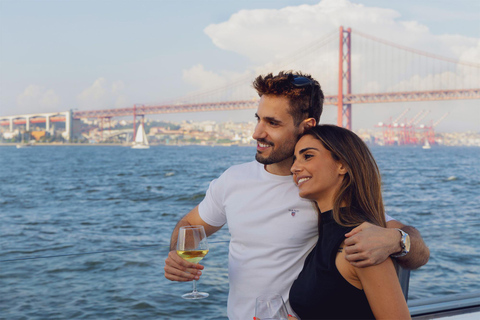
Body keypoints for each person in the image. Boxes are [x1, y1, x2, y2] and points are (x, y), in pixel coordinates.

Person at [164, 71, 429, 320]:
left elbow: (415, 250)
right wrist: (177, 253)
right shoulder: (232, 180)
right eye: (258, 119)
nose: (257, 133)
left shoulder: (322, 189)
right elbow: (190, 225)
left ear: (306, 126)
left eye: (273, 123)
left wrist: (396, 239)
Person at [289, 125, 411, 319]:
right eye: (295, 158)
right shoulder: (327, 234)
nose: (294, 167)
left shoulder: (361, 244)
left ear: (342, 165)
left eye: (308, 156)